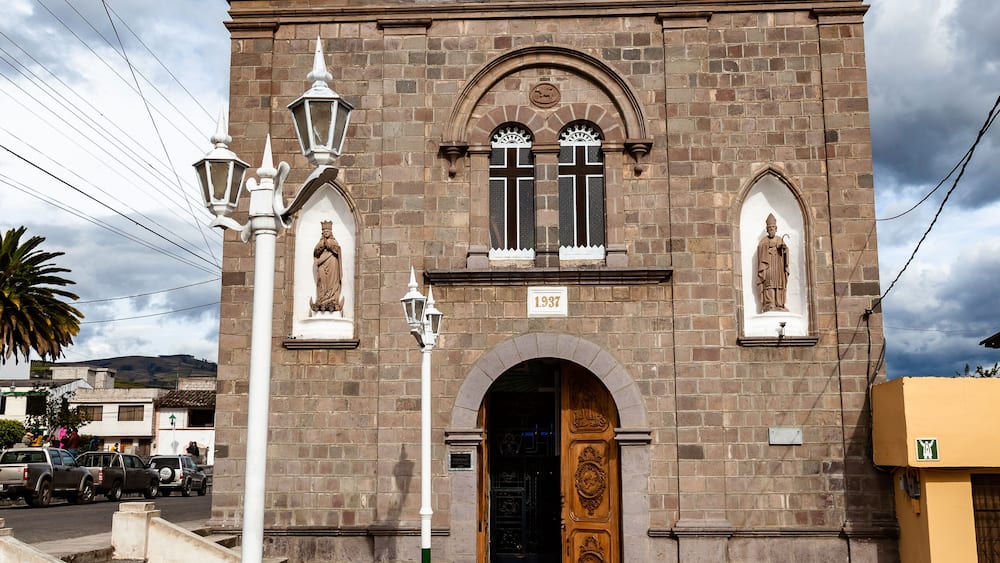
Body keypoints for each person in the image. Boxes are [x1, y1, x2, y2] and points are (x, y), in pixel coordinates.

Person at [756, 213, 789, 312]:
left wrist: (783, 249)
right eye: (769, 229)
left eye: (773, 228)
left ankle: (779, 303)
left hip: (778, 266)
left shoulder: (779, 239)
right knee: (769, 284)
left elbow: (786, 251)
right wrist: (769, 245)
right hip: (768, 266)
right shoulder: (764, 240)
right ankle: (770, 304)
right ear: (767, 230)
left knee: (779, 284)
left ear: (776, 229)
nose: (771, 230)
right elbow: (760, 249)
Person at [309, 220, 344, 312]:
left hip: (332, 263)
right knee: (321, 280)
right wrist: (322, 247)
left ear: (330, 232)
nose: (326, 233)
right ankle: (321, 299)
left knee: (332, 281)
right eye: (324, 231)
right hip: (322, 264)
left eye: (327, 231)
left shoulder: (334, 242)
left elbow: (337, 251)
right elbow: (316, 253)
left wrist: (329, 246)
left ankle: (332, 299)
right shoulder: (320, 243)